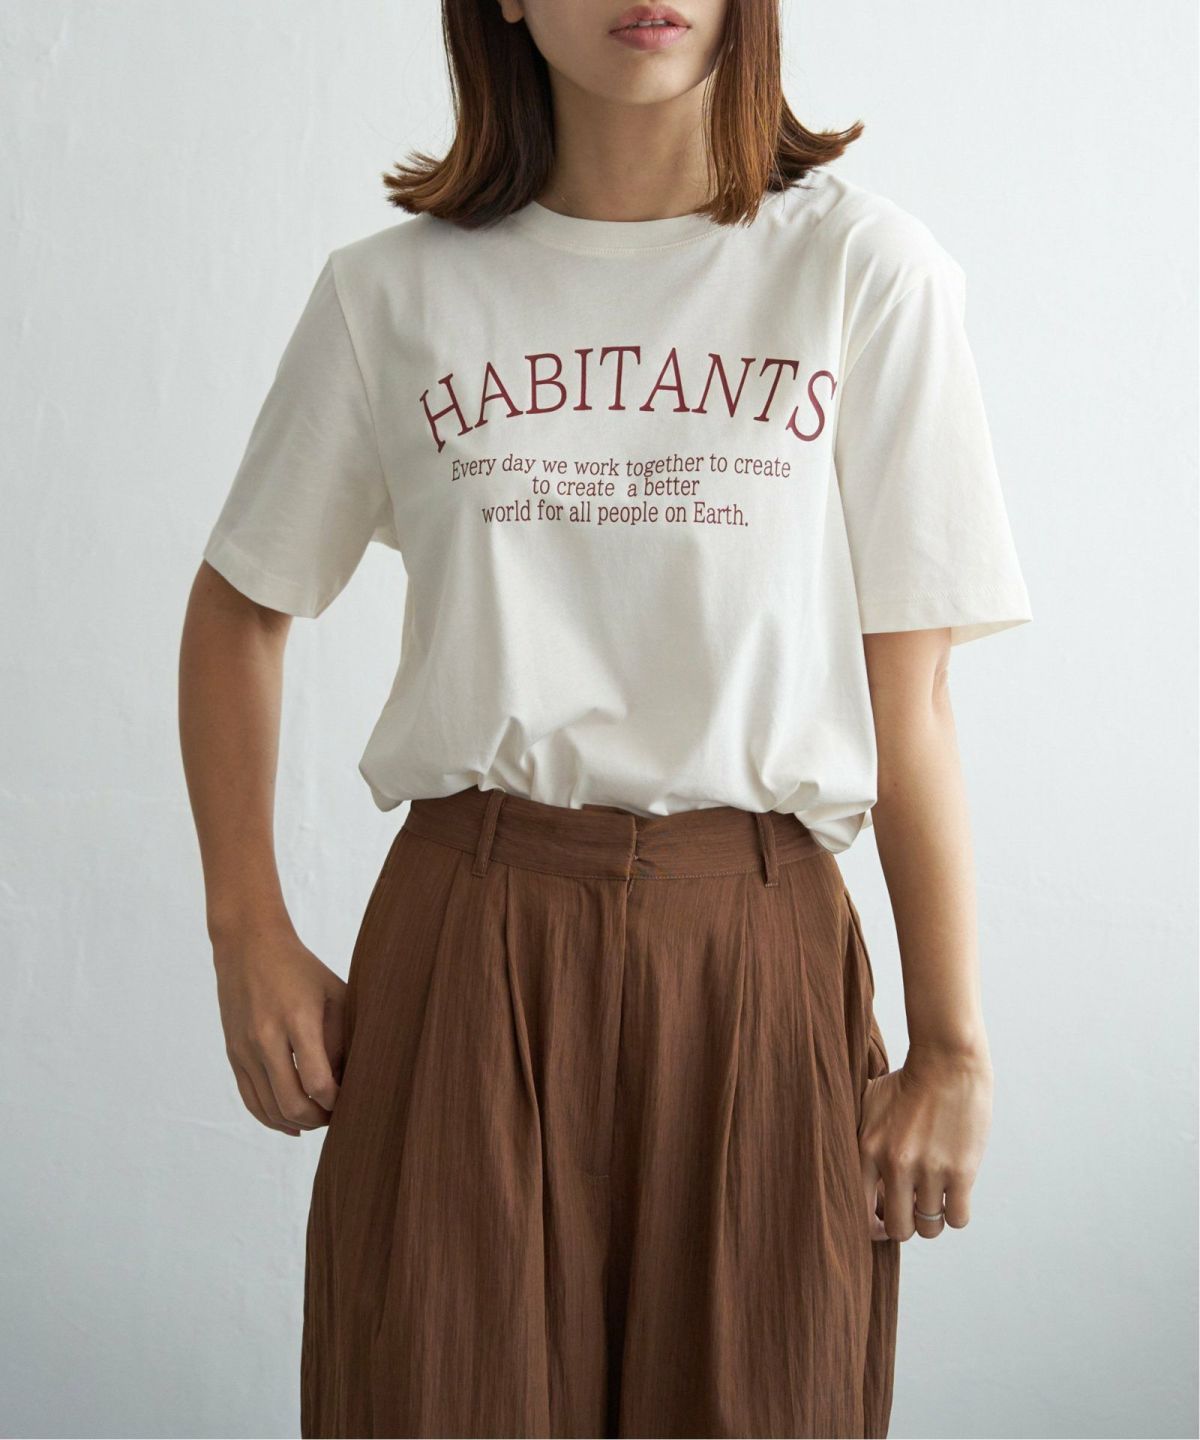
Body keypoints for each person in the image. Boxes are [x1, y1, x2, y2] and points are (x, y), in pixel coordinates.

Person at [178, 1, 1033, 1436]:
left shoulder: (862, 273)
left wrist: (954, 1044)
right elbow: (238, 608)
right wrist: (244, 929)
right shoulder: (394, 295)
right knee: (437, 1393)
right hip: (470, 943)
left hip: (756, 952)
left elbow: (915, 694)